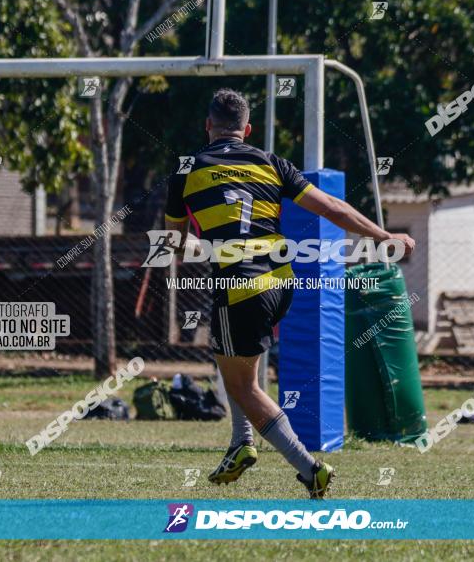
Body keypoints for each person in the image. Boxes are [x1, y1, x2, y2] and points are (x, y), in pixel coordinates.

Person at [164, 88, 414, 499]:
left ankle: (309, 467)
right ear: (247, 129)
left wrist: (199, 245)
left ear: (208, 127)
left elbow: (175, 242)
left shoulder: (186, 171)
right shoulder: (270, 162)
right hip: (281, 281)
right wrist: (384, 235)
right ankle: (239, 444)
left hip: (238, 284)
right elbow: (332, 207)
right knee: (235, 360)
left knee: (243, 384)